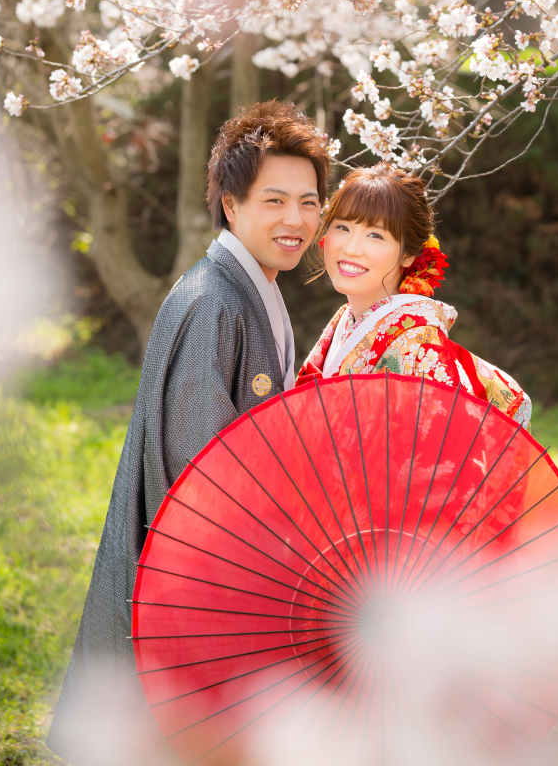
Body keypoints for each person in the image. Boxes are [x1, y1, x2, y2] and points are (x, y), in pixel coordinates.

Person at [48, 100, 331, 765]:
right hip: (201, 576)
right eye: (275, 201)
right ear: (231, 205)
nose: (296, 220)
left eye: (309, 202)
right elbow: (203, 472)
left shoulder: (248, 289)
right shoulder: (213, 302)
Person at [296, 163, 531, 426]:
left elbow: (445, 442)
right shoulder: (346, 319)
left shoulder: (420, 344)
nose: (351, 248)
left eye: (375, 235)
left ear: (408, 254)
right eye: (342, 228)